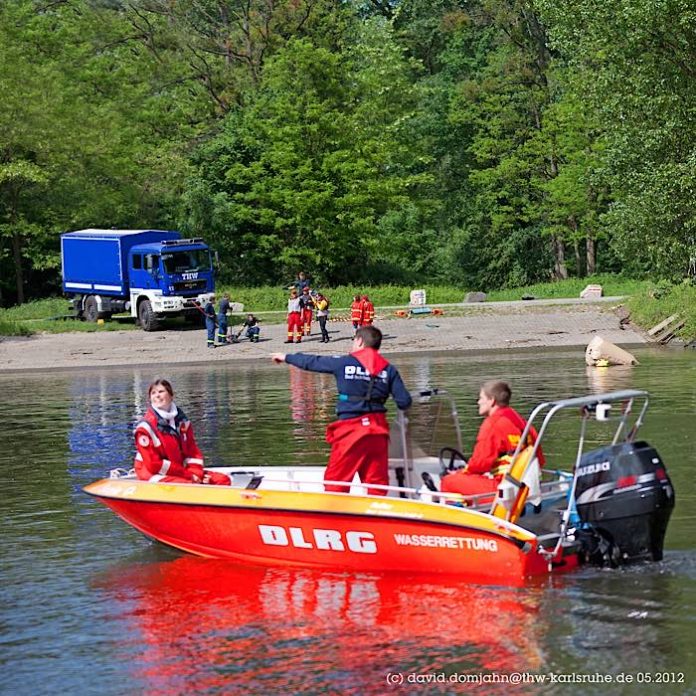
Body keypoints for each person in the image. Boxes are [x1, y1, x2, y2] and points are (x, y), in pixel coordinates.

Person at [271, 325, 412, 495]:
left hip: (351, 430)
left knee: (336, 482)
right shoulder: (388, 369)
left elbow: (313, 362)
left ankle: (334, 518)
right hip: (378, 431)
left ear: (359, 341)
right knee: (377, 484)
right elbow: (404, 402)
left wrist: (286, 357)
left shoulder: (344, 362)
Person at [440, 380, 545, 499]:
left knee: (448, 481)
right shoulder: (524, 424)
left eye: (481, 398)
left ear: (492, 401)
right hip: (526, 488)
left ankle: (458, 512)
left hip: (505, 491)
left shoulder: (492, 424)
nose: (478, 402)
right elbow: (540, 460)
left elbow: (480, 464)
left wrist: (460, 473)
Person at [134, 379, 231, 485]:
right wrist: (188, 476)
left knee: (223, 479)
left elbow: (192, 452)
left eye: (161, 391)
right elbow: (154, 464)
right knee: (189, 486)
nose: (157, 395)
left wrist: (196, 474)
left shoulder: (182, 422)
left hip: (180, 472)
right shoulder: (145, 428)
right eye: (153, 393)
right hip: (152, 474)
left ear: (171, 396)